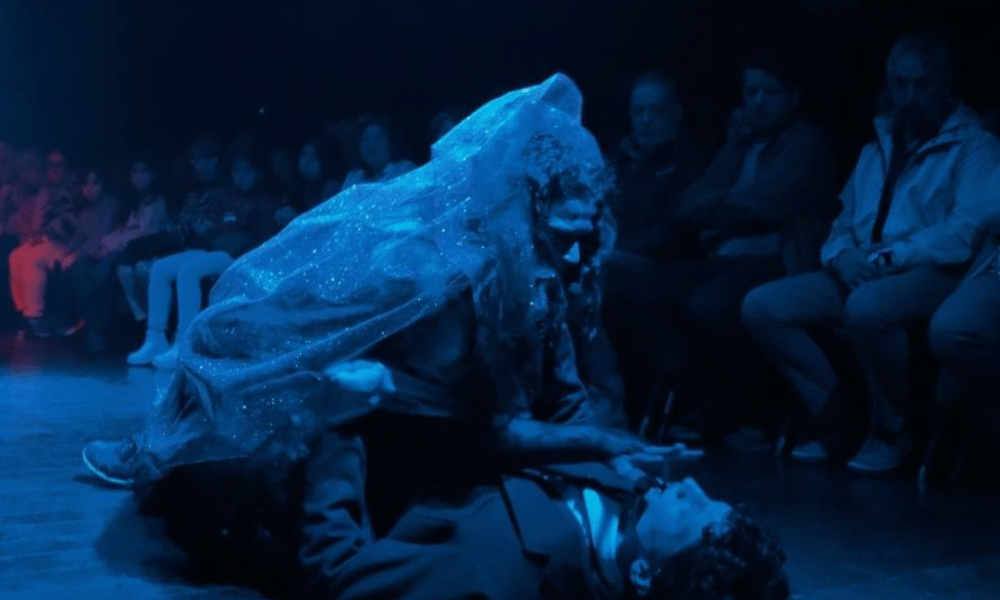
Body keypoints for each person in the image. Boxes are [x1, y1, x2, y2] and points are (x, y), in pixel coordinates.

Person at [741, 33, 1000, 473]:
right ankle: (836, 415)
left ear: (945, 84)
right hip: (866, 266)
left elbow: (964, 233)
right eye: (900, 84)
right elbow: (844, 219)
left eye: (921, 84)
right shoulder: (876, 147)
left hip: (936, 272)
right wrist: (842, 256)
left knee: (867, 305)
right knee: (763, 306)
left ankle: (892, 429)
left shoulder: (975, 146)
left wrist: (887, 258)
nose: (910, 95)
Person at [126, 151, 276, 367]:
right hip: (213, 248)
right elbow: (214, 226)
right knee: (161, 268)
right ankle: (155, 338)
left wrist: (231, 237)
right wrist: (210, 231)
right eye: (237, 171)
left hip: (238, 256)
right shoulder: (224, 197)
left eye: (247, 171)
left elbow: (262, 240)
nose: (240, 176)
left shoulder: (264, 202)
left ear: (258, 173)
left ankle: (184, 342)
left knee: (189, 271)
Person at [340, 115, 417, 189]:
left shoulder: (405, 171)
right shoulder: (354, 178)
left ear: (389, 142)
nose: (372, 144)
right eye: (366, 139)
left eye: (379, 137)